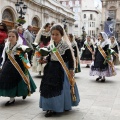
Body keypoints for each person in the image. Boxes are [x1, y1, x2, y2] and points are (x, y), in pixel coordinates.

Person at [39, 24, 80, 117]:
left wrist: (71, 70)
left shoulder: (65, 45)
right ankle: (49, 107)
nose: (54, 36)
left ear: (61, 35)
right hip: (50, 68)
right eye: (53, 34)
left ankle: (60, 105)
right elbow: (50, 57)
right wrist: (44, 60)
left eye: (57, 34)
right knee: (48, 87)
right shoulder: (51, 45)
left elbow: (70, 59)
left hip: (62, 69)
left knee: (61, 88)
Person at [0, 29, 37, 106]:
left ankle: (24, 92)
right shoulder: (6, 46)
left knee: (21, 81)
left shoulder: (20, 47)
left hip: (18, 66)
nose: (11, 38)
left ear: (17, 37)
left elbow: (24, 58)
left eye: (13, 36)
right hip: (8, 65)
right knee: (7, 81)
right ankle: (11, 98)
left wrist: (25, 60)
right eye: (9, 36)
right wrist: (3, 66)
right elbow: (6, 57)